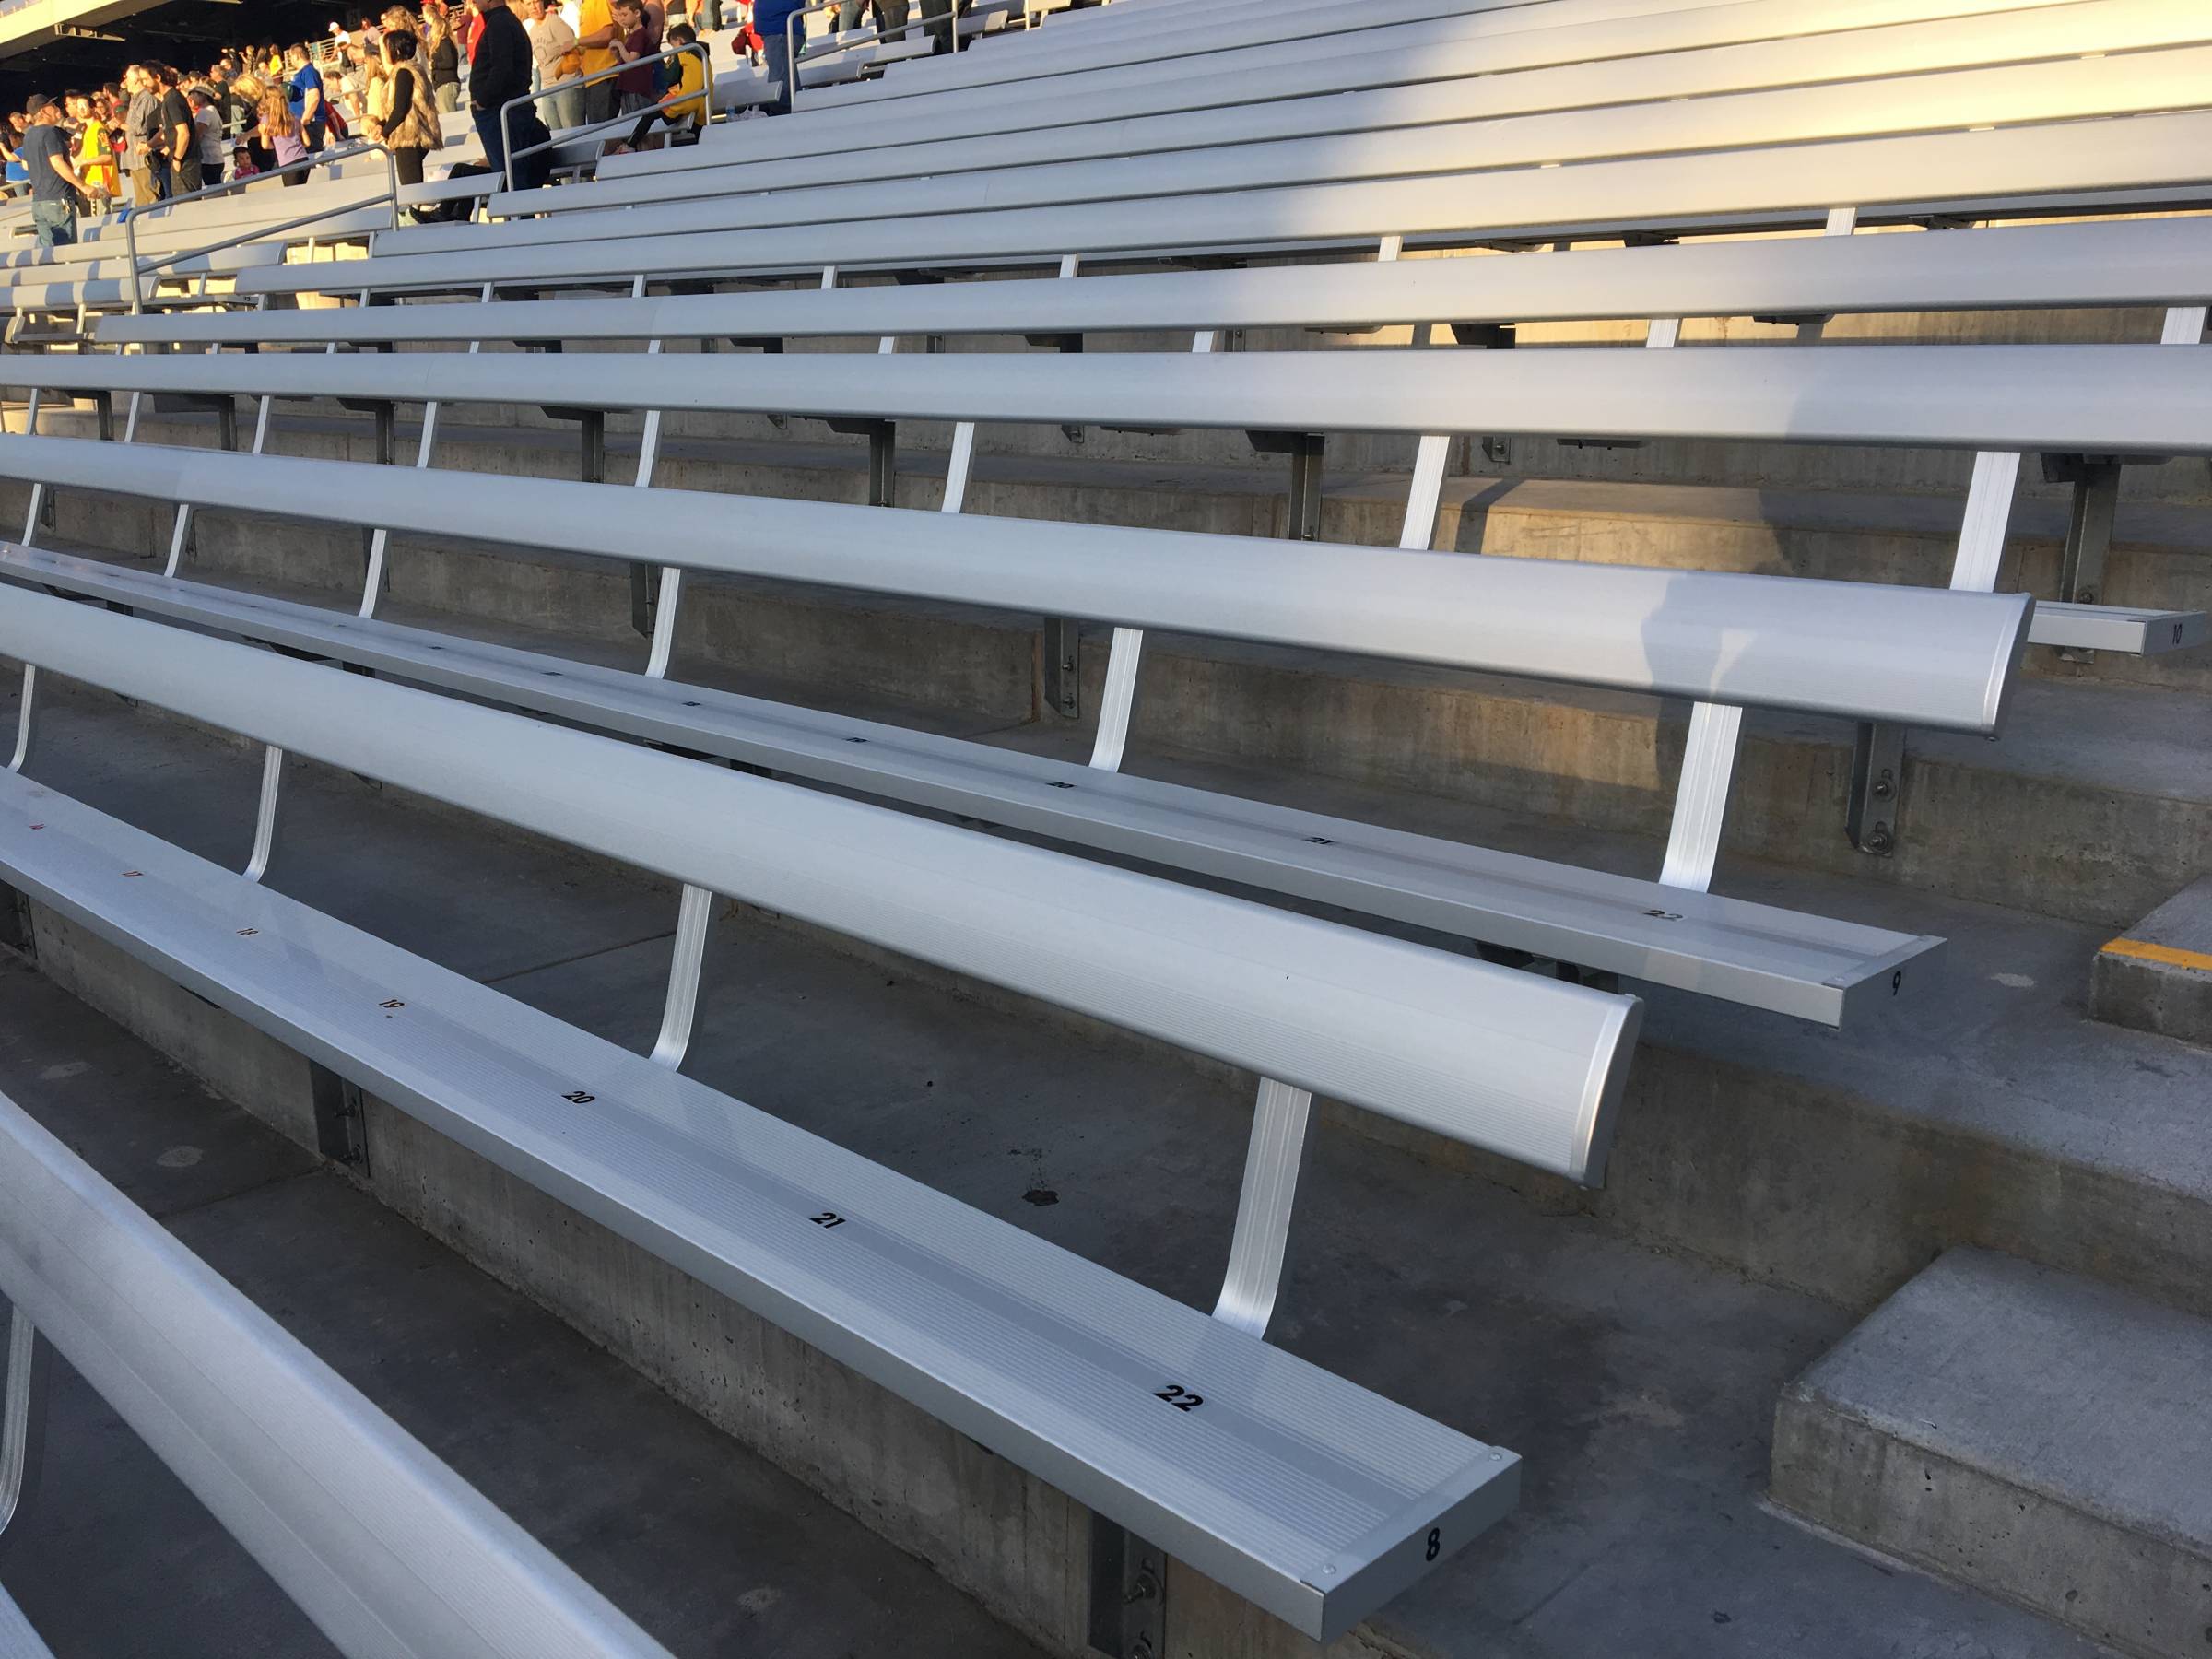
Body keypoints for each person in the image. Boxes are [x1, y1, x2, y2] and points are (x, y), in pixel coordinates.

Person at [467, 0, 552, 188]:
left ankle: (520, 217)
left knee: (512, 178)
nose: (471, 1)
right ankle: (519, 215)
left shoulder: (500, 23)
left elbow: (503, 69)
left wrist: (482, 101)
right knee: (512, 176)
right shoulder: (502, 21)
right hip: (503, 110)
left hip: (502, 112)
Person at [367, 28, 441, 188]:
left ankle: (416, 211)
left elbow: (401, 108)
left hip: (409, 136)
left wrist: (385, 132)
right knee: (412, 186)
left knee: (411, 188)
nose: (384, 53)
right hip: (410, 135)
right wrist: (381, 124)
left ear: (397, 50)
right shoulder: (408, 70)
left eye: (386, 48)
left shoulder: (404, 72)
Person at [19, 95, 86, 248]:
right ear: (44, 111)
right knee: (64, 253)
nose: (57, 109)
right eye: (53, 106)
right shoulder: (50, 132)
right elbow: (57, 163)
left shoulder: (28, 135)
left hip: (39, 202)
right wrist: (83, 186)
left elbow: (25, 164)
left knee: (48, 257)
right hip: (58, 200)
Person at [625, 19, 702, 150]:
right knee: (695, 127)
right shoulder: (702, 53)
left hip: (685, 100)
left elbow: (669, 76)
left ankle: (629, 145)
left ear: (679, 40)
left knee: (649, 114)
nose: (673, 49)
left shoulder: (681, 53)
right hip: (701, 100)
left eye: (673, 45)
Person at [525, 0, 582, 131]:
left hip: (566, 85)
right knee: (554, 133)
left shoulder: (554, 22)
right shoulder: (532, 30)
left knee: (571, 131)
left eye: (536, 2)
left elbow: (574, 50)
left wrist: (562, 71)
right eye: (529, 4)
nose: (533, 7)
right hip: (547, 88)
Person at [606, 0, 661, 126]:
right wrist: (617, 53)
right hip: (628, 86)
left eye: (624, 15)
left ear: (637, 13)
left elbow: (632, 59)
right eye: (619, 15)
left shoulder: (640, 34)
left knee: (638, 124)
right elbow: (625, 60)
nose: (621, 19)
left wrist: (620, 45)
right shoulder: (631, 35)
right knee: (630, 124)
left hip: (638, 88)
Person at [124, 64, 167, 202]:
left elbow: (142, 127)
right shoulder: (133, 100)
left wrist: (121, 125)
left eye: (127, 78)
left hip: (144, 159)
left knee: (151, 197)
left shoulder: (147, 98)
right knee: (141, 202)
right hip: (134, 159)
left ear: (136, 79)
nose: (125, 82)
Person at [67, 91, 116, 215]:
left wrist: (83, 162)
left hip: (99, 181)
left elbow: (107, 156)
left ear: (93, 108)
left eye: (84, 106)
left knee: (100, 217)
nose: (81, 109)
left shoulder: (98, 128)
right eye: (79, 107)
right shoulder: (86, 129)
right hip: (89, 179)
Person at [753, 0, 803, 112]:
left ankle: (787, 119)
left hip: (779, 26)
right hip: (775, 26)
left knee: (782, 86)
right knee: (784, 79)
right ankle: (790, 115)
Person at [157, 65, 200, 194]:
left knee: (186, 204)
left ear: (158, 78)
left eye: (145, 79)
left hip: (185, 162)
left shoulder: (173, 99)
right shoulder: (169, 99)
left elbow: (184, 133)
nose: (143, 84)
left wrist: (177, 159)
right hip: (179, 157)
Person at [258, 89, 307, 183]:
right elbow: (307, 142)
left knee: (292, 195)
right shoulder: (293, 116)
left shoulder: (266, 119)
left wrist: (276, 145)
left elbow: (265, 145)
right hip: (303, 157)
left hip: (287, 162)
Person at [285, 44, 327, 153]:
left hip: (310, 124)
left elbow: (314, 96)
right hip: (304, 124)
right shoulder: (303, 73)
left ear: (296, 56)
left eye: (290, 57)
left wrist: (305, 120)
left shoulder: (309, 72)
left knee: (312, 155)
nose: (290, 60)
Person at [189, 88, 227, 187]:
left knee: (213, 189)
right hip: (216, 157)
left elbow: (198, 134)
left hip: (208, 158)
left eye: (194, 94)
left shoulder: (205, 112)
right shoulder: (213, 110)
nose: (191, 97)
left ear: (203, 96)